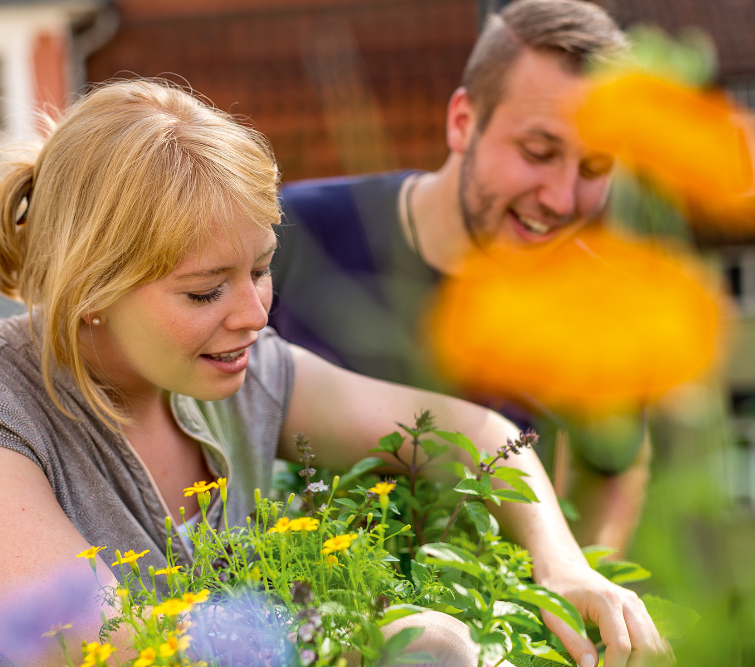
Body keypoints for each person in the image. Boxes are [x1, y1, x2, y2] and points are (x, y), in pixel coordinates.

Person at [0, 79, 670, 667]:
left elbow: (475, 433)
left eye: (260, 268)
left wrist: (562, 566)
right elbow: (102, 642)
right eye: (206, 291)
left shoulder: (244, 374)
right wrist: (368, 636)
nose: (254, 313)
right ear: (92, 287)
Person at [270, 0, 649, 552]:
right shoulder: (291, 233)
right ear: (463, 123)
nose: (563, 199)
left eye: (595, 168)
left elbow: (613, 472)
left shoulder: (602, 310)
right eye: (539, 152)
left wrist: (575, 578)